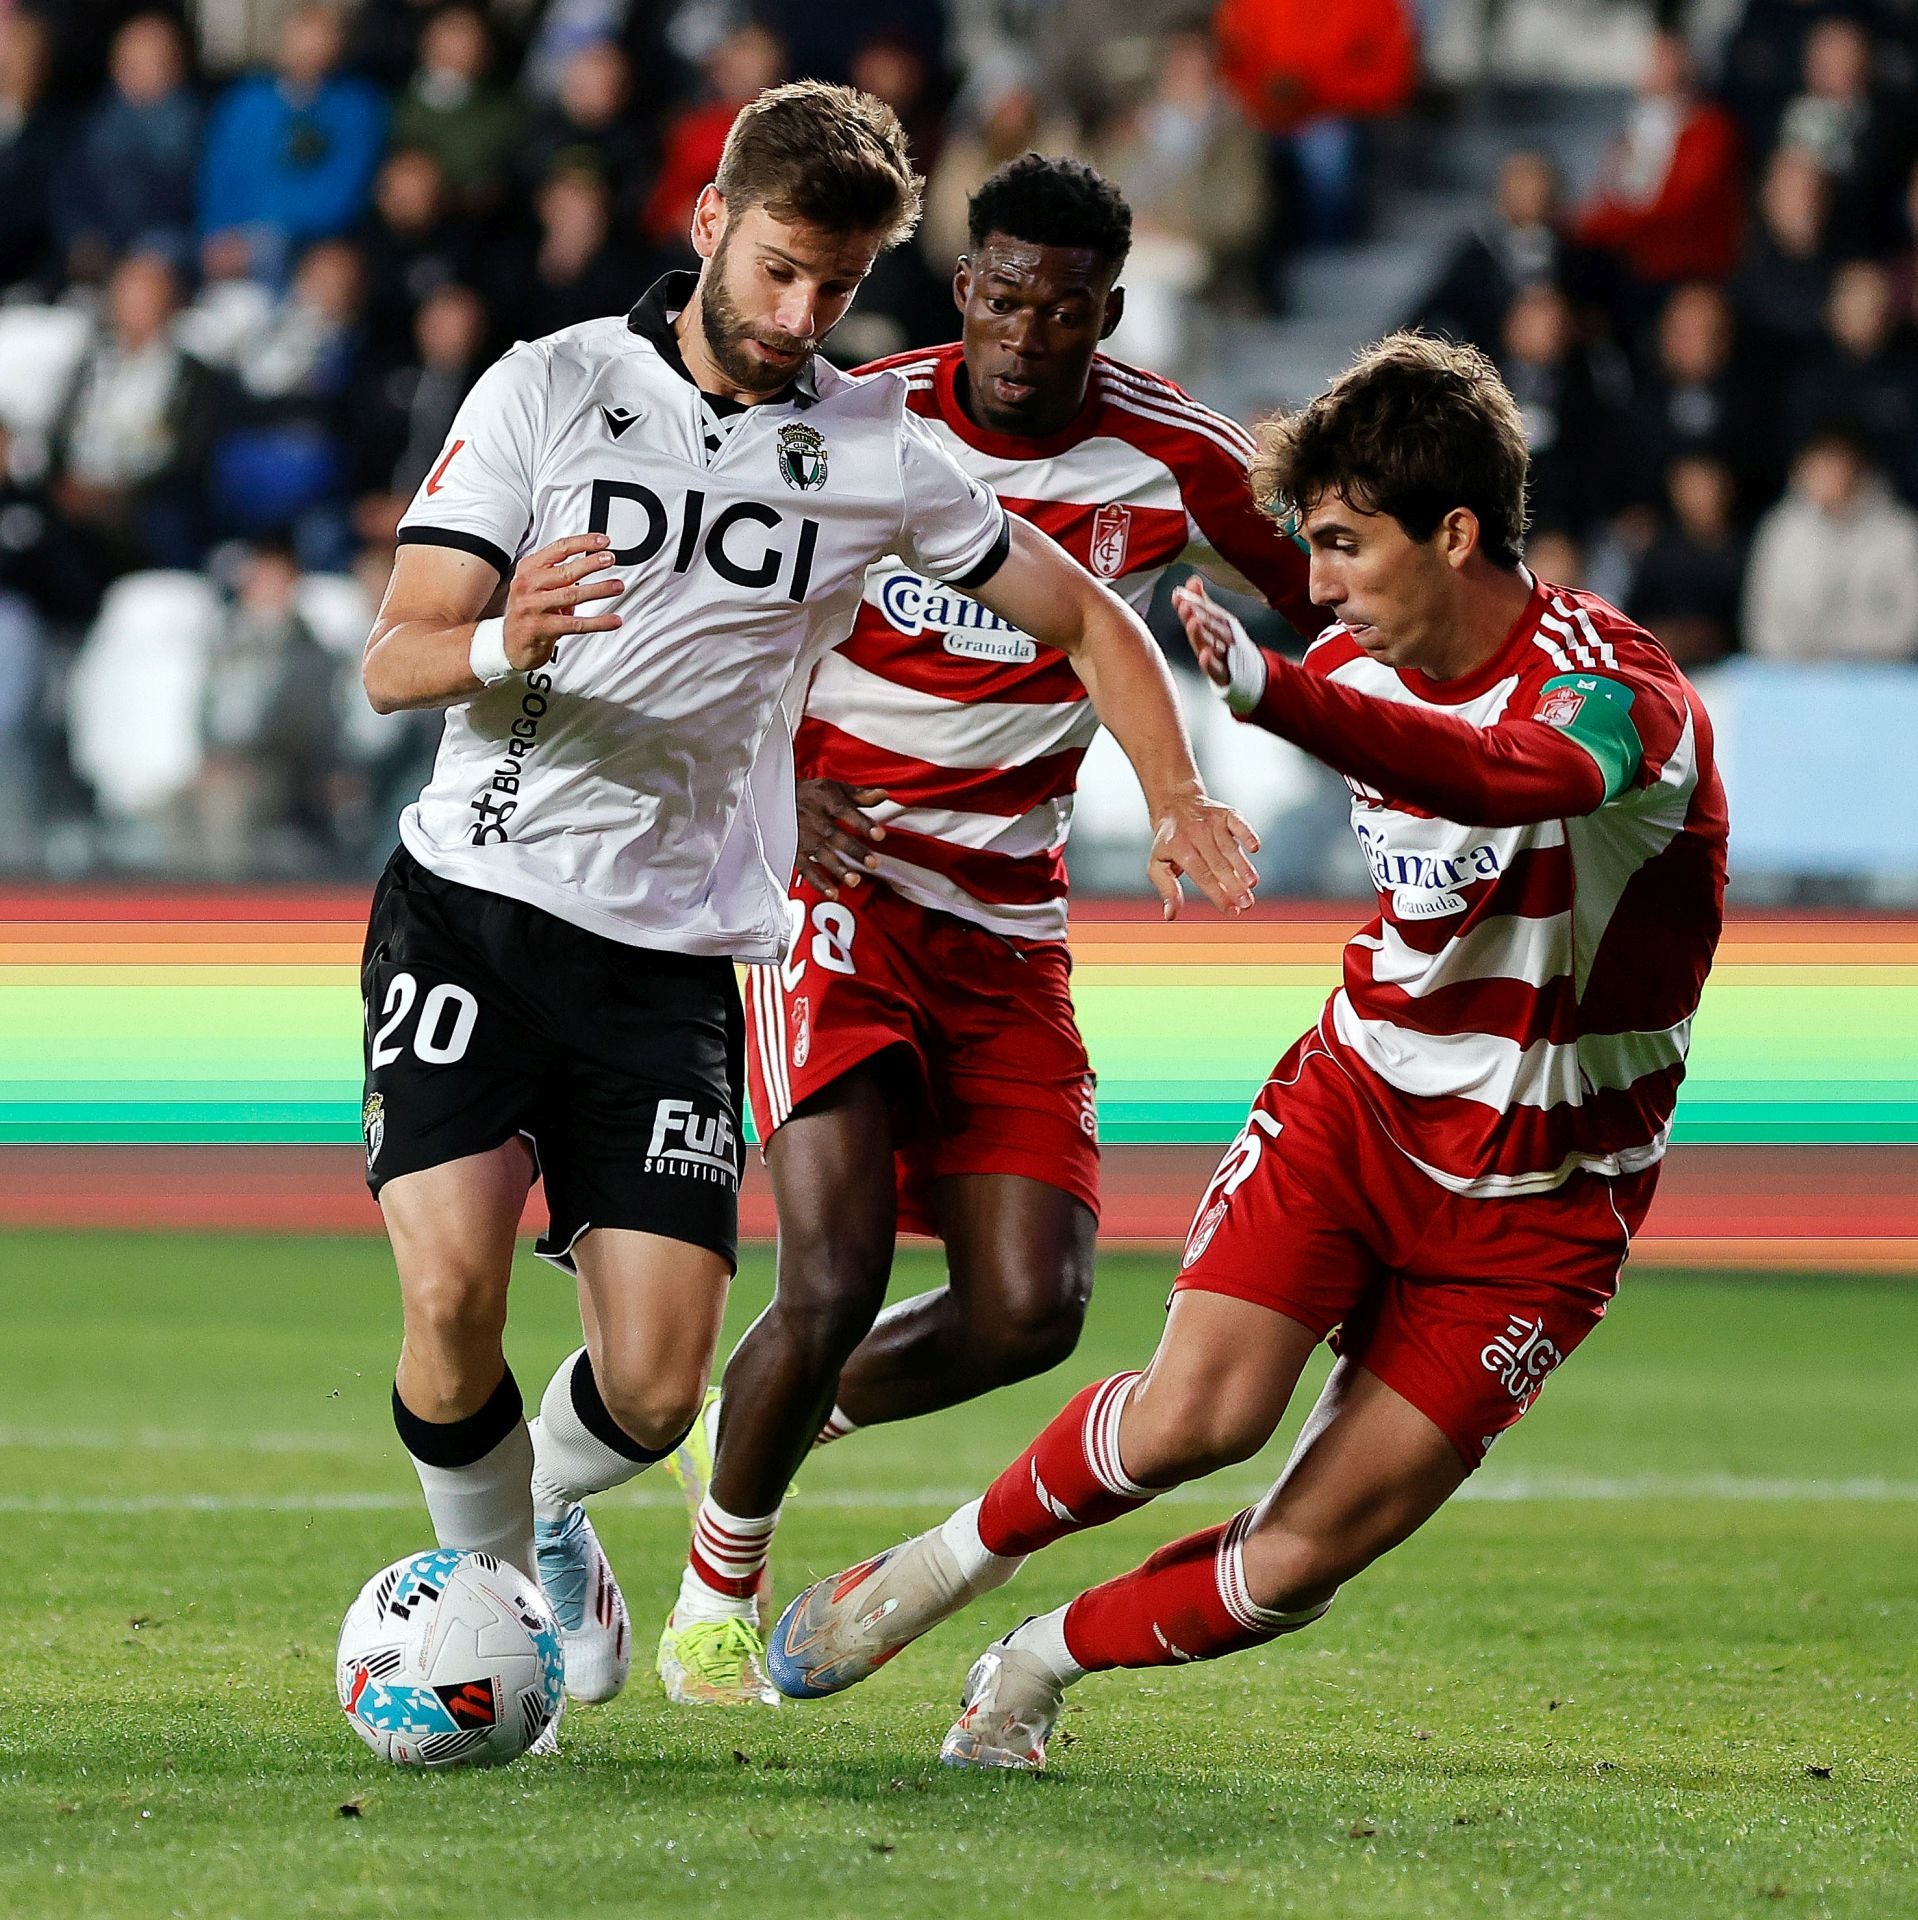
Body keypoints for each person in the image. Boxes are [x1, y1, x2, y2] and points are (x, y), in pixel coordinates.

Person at [357, 81, 1260, 1744]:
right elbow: (395, 653)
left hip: (677, 954)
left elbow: (1081, 615)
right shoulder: (549, 384)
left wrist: (1179, 792)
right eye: (777, 271)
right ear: (707, 225)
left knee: (648, 1388)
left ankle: (551, 1517)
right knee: (450, 1297)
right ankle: (497, 1632)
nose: (799, 317)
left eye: (835, 290)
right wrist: (509, 642)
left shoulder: (864, 449)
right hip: (475, 903)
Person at [762, 331, 1729, 1770]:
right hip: (1359, 1105)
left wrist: (1281, 696)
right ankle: (946, 1564)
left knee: (1292, 1569)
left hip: (1549, 1197)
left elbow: (1504, 776)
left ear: (1452, 533)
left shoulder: (1613, 696)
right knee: (1190, 1422)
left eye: (1341, 546)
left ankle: (1032, 1666)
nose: (1317, 585)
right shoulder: (1353, 656)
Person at [651, 153, 1322, 1708]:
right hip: (832, 887)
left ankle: (776, 1405)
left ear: (1110, 314)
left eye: (1067, 312)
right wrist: (772, 781)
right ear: (963, 291)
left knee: (1033, 1307)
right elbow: (705, 614)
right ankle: (714, 1592)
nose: (1029, 335)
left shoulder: (1175, 461)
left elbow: (1328, 597)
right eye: (1006, 299)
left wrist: (1185, 791)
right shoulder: (850, 421)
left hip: (1005, 920)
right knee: (830, 1265)